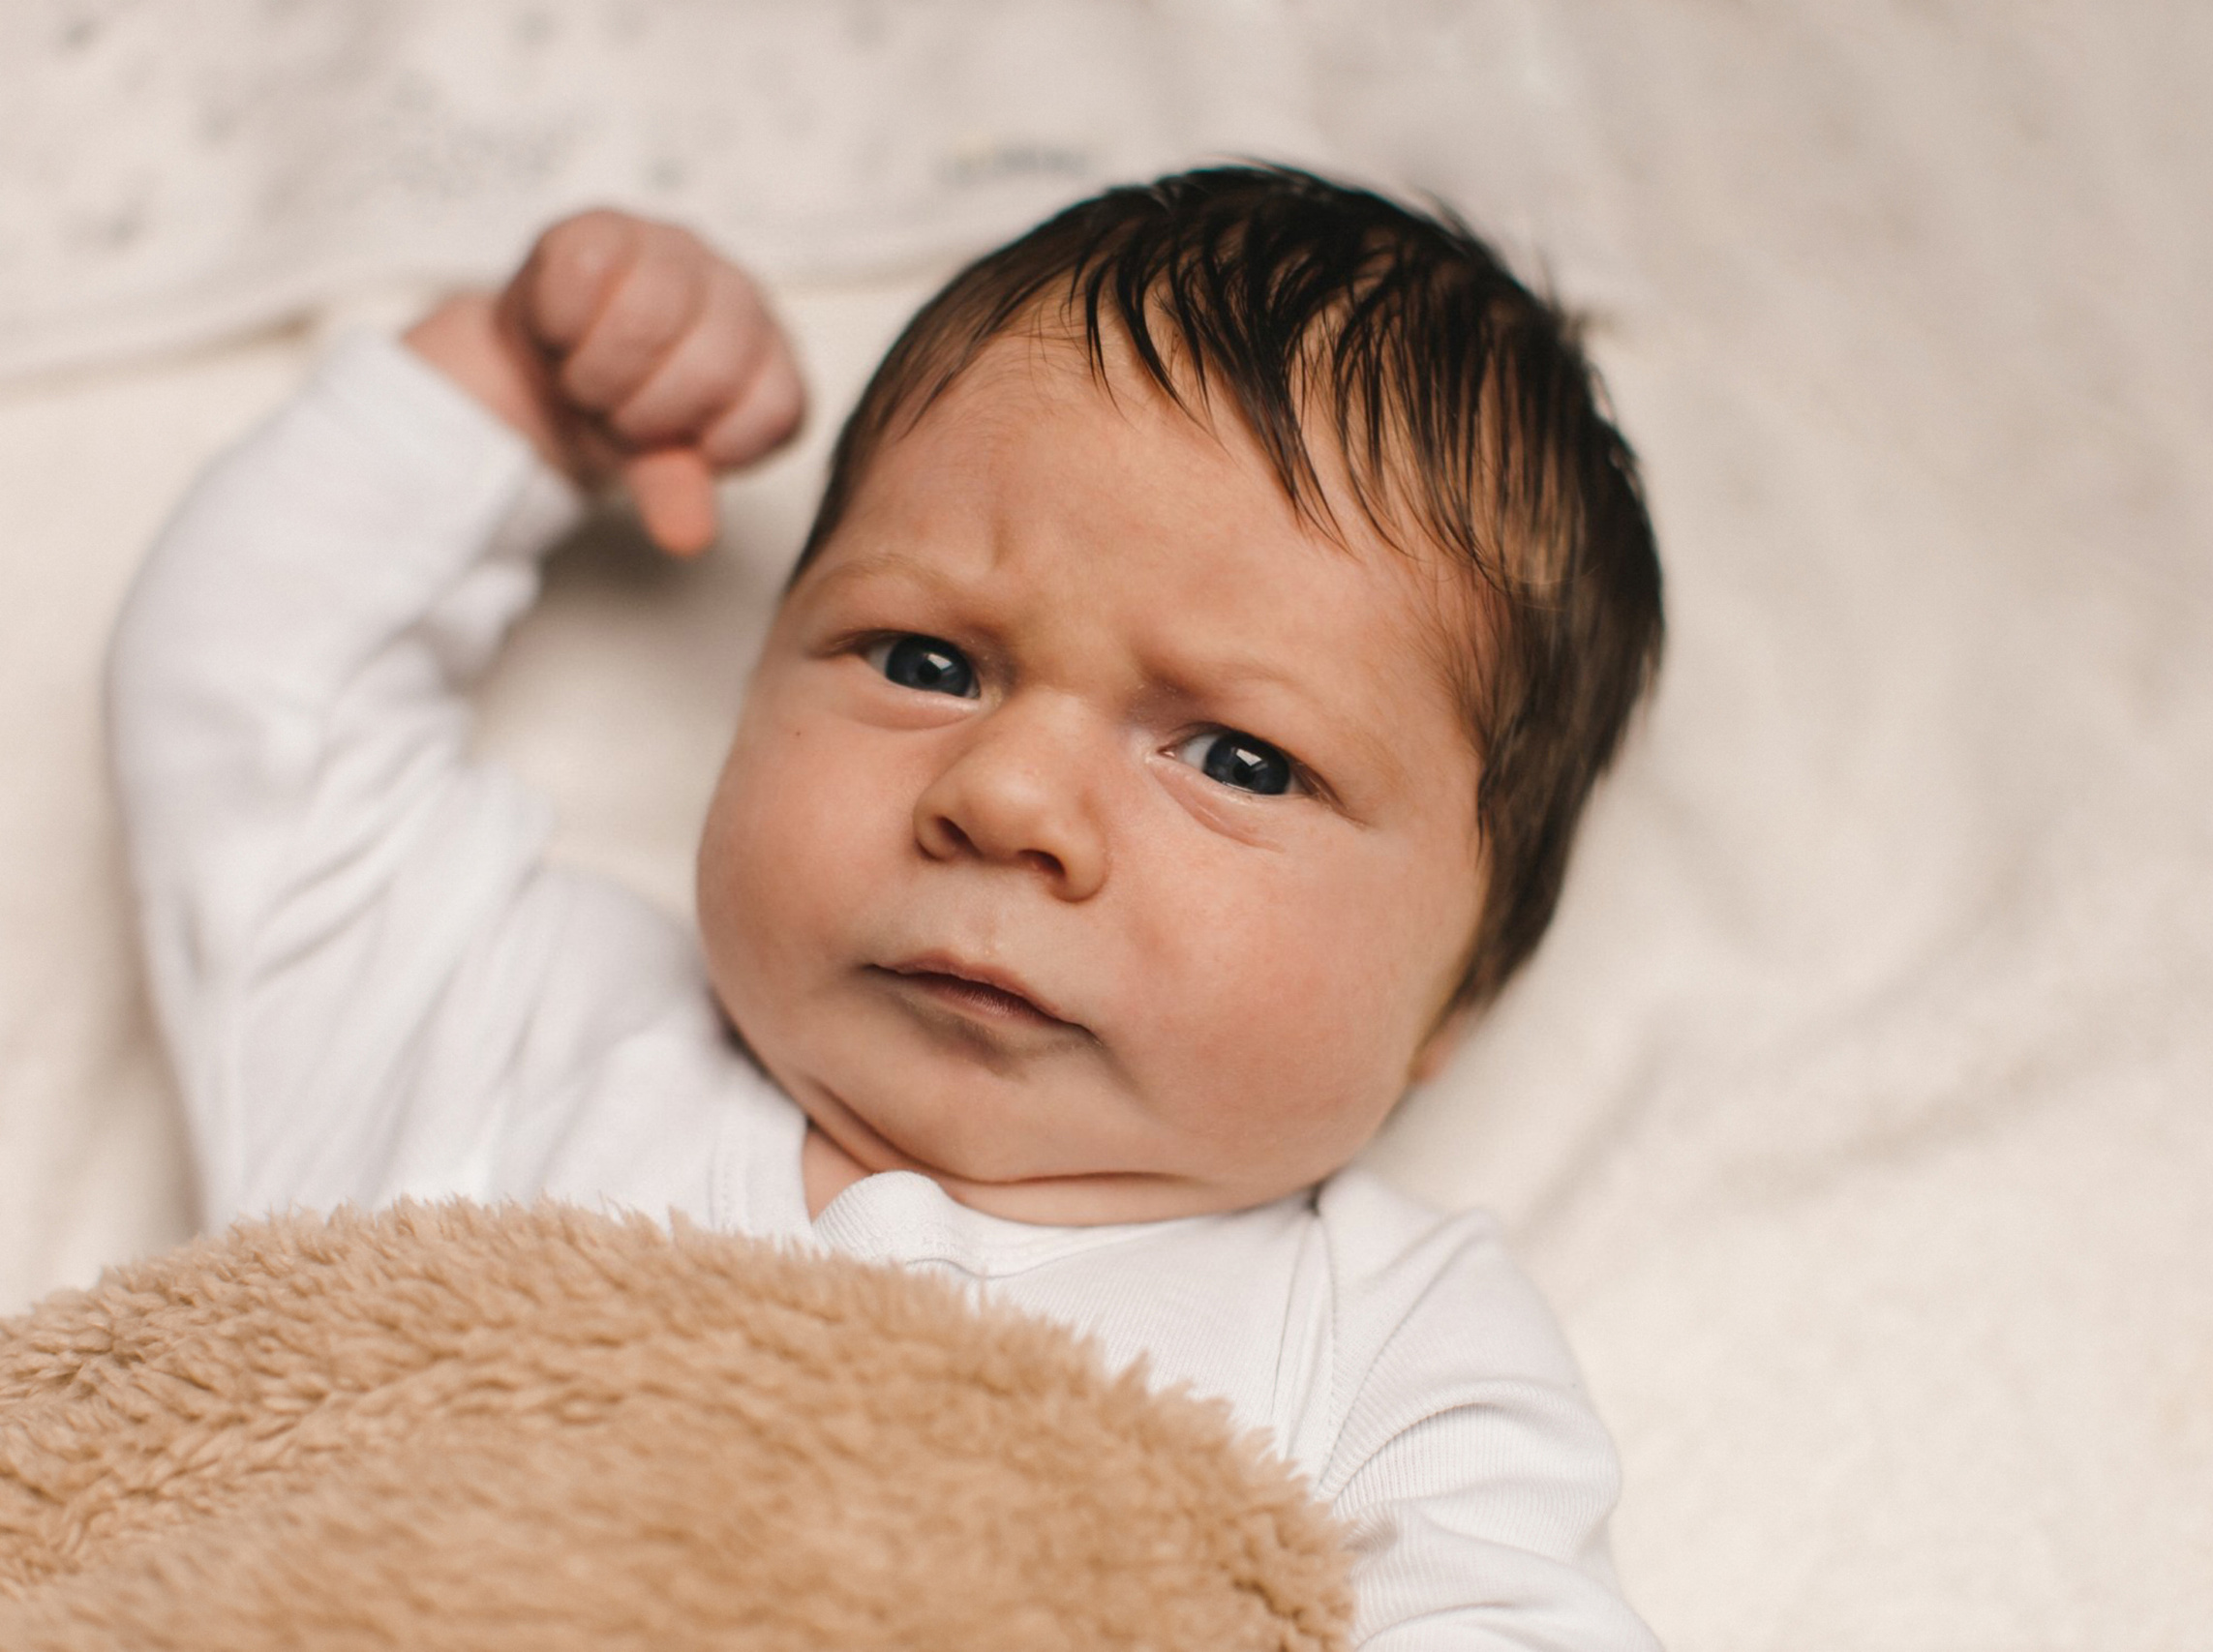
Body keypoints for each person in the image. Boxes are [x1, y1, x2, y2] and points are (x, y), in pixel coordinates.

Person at [110, 165, 1664, 1646]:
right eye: (926, 662)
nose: (1008, 799)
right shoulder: (500, 1014)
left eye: (1239, 759)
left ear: (1461, 989)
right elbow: (249, 694)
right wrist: (512, 391)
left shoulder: (1387, 1342)